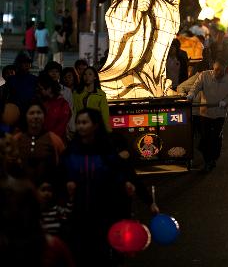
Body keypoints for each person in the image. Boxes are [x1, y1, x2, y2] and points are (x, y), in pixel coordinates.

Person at [61, 107, 158, 267]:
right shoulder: (71, 151)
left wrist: (146, 200)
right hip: (78, 214)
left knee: (104, 255)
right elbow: (60, 175)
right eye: (78, 123)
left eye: (85, 122)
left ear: (95, 125)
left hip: (105, 213)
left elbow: (125, 174)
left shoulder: (107, 150)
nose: (80, 126)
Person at [99, 0, 180, 99]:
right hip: (134, 44)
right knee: (119, 78)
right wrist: (134, 7)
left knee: (156, 69)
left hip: (157, 41)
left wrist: (155, 5)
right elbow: (112, 14)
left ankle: (157, 85)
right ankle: (133, 84)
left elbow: (175, 12)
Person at [186, 58, 228, 172]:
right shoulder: (204, 76)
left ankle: (213, 158)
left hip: (220, 113)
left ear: (225, 70)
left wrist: (225, 101)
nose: (218, 73)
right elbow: (195, 87)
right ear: (213, 68)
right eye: (216, 70)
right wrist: (191, 95)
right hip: (205, 113)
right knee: (205, 138)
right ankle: (208, 161)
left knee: (216, 138)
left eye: (221, 71)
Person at [13, 100, 65, 183]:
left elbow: (63, 166)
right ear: (25, 116)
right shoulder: (17, 139)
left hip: (47, 190)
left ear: (44, 116)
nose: (36, 116)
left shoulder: (54, 139)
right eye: (31, 113)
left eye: (39, 113)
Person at [73, 66, 111, 131]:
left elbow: (105, 114)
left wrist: (107, 130)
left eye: (90, 74)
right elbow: (74, 111)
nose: (87, 76)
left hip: (96, 128)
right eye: (85, 74)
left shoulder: (101, 94)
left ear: (95, 77)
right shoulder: (77, 93)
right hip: (81, 127)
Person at [37, 73, 72, 142]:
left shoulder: (63, 104)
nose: (40, 91)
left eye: (41, 89)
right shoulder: (43, 102)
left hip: (56, 141)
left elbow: (61, 126)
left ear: (49, 88)